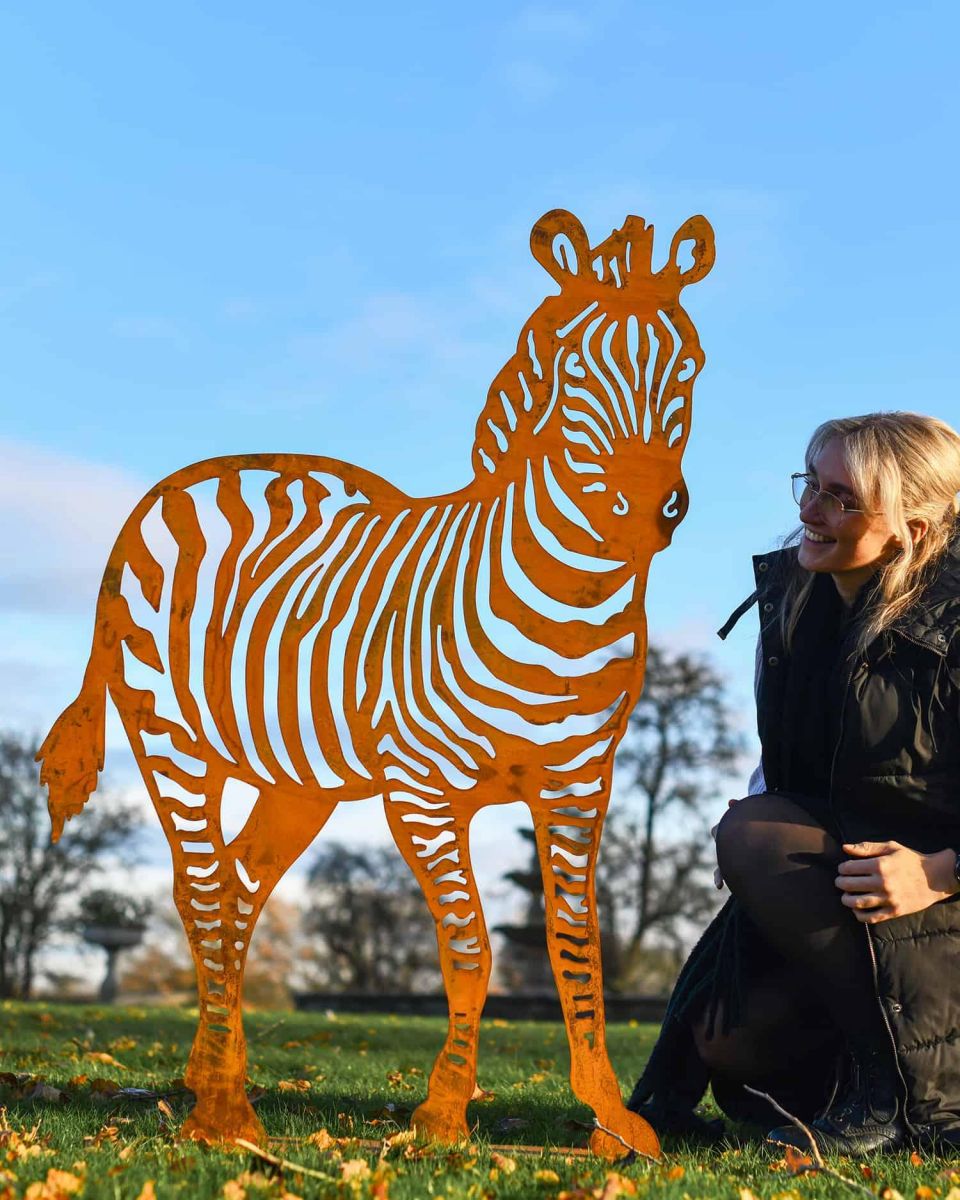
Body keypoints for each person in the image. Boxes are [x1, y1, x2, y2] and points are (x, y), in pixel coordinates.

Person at [627, 411, 960, 1153]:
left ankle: (892, 1096)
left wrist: (937, 873)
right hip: (852, 891)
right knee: (731, 1048)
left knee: (756, 833)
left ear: (915, 527)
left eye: (843, 498)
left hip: (933, 905)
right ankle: (681, 1098)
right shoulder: (799, 599)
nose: (811, 509)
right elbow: (797, 761)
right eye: (810, 484)